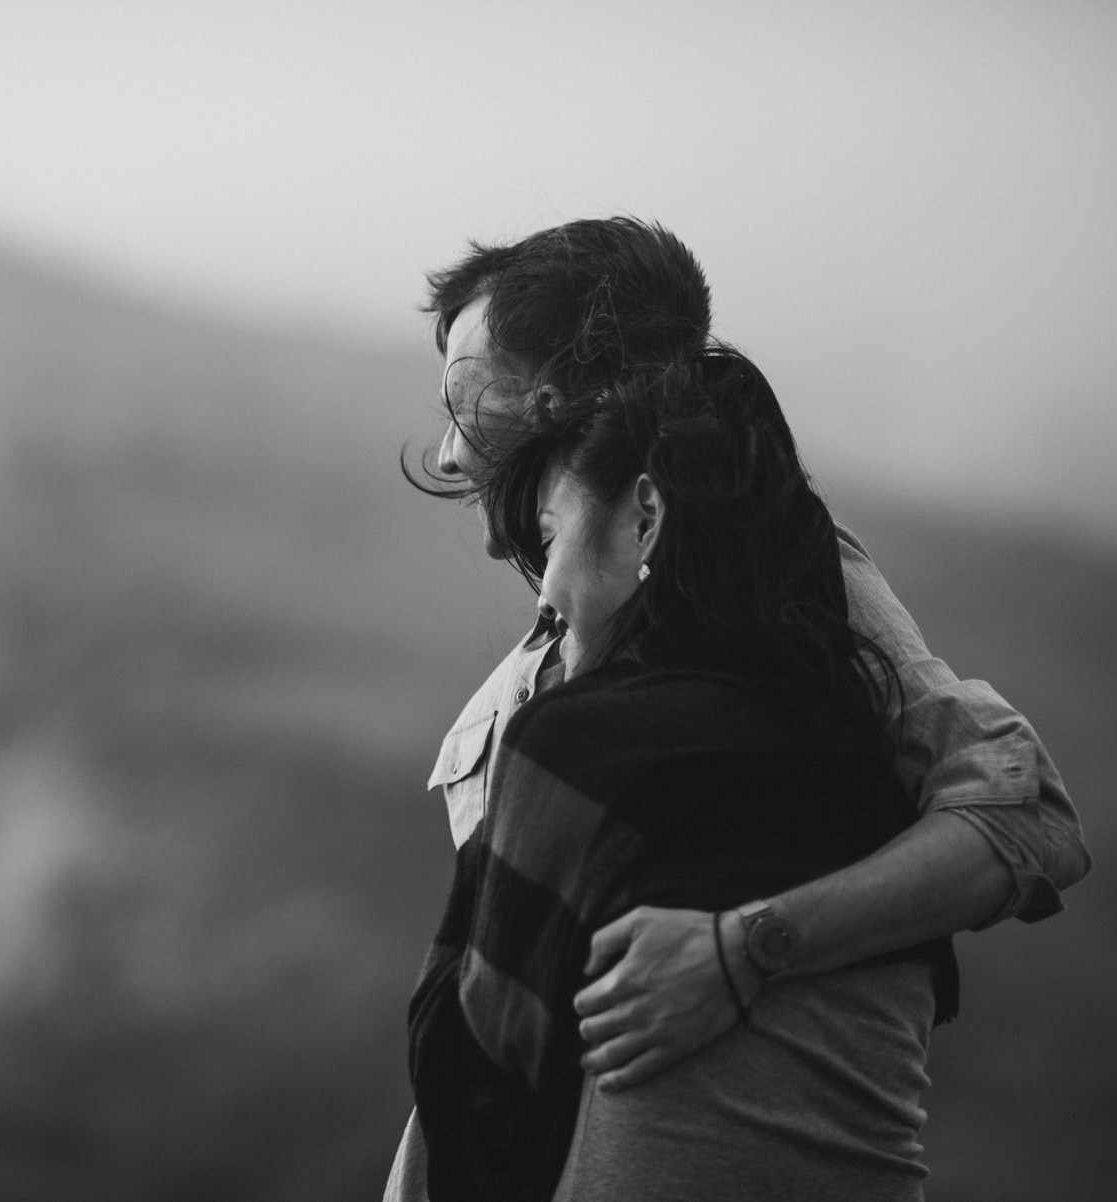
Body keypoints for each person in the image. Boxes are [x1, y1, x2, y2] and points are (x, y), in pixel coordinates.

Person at [383, 218, 1090, 1199]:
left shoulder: (790, 581)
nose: (454, 452)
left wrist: (743, 945)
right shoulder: (557, 654)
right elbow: (488, 1040)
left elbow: (1028, 817)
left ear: (575, 400)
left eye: (470, 397)